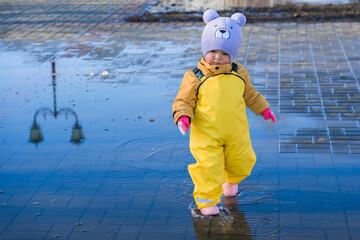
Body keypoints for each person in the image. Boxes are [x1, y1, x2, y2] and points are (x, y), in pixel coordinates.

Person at [172, 9, 276, 216]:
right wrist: (183, 116)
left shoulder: (239, 73)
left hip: (236, 132)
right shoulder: (195, 76)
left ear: (232, 54)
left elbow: (250, 95)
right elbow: (183, 100)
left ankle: (231, 182)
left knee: (243, 161)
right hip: (206, 134)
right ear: (204, 50)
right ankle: (207, 203)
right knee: (208, 168)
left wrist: (263, 108)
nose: (217, 57)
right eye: (213, 52)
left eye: (224, 53)